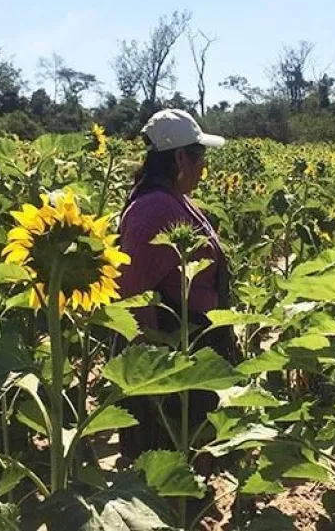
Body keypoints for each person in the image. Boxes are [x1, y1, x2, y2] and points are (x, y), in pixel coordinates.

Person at [115, 109, 239, 461]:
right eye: (200, 157)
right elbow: (134, 294)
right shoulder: (154, 208)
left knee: (195, 442)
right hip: (171, 347)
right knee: (167, 449)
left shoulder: (174, 198)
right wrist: (153, 373)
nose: (204, 167)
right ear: (180, 157)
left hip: (192, 341)